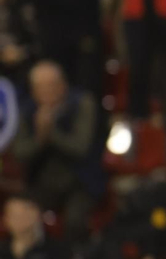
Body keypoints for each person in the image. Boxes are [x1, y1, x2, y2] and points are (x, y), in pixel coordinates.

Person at [13, 61, 101, 237]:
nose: (48, 91)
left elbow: (80, 148)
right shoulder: (26, 109)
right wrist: (39, 138)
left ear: (63, 85)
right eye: (41, 87)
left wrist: (50, 132)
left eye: (52, 85)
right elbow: (20, 153)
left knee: (76, 220)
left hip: (80, 179)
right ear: (33, 90)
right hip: (41, 180)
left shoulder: (83, 103)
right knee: (19, 213)